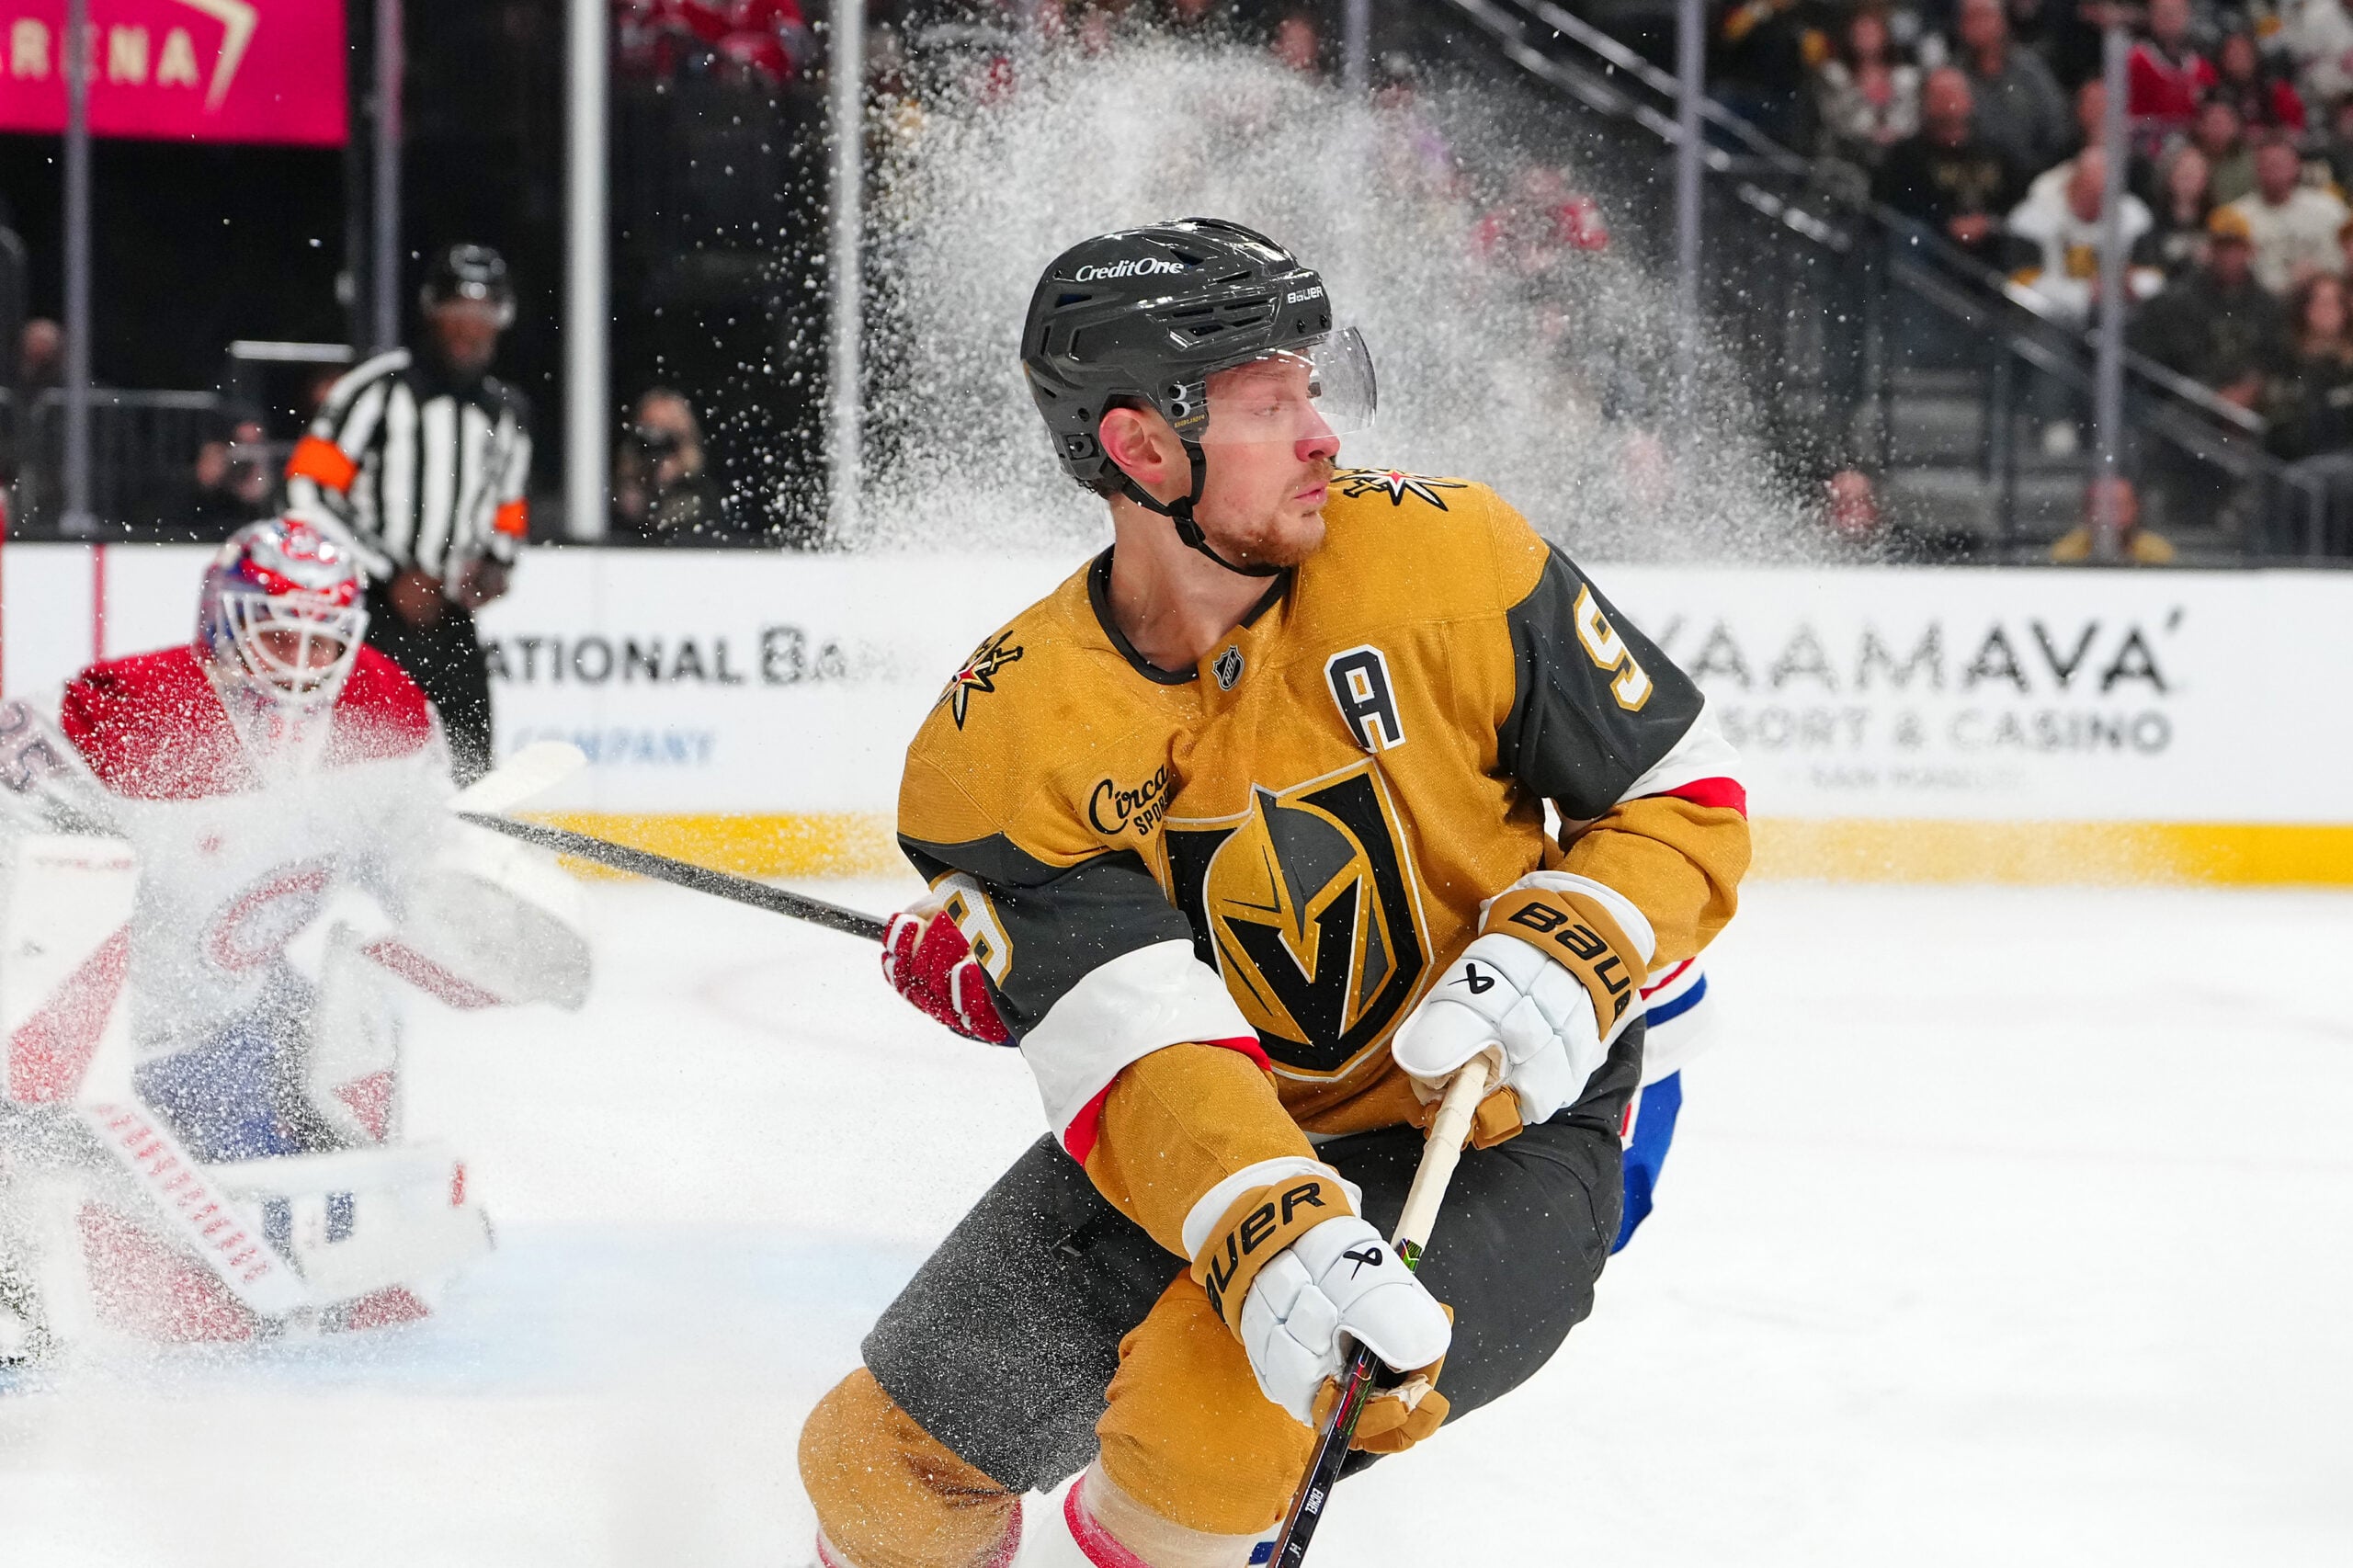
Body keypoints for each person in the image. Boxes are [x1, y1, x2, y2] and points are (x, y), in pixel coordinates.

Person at [794, 219, 1749, 1568]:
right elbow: (1144, 1057)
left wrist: (1578, 937)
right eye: (1268, 402)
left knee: (1204, 1431)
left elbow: (1679, 791)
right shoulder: (1003, 750)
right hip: (1238, 1128)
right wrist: (1254, 1210)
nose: (1322, 433)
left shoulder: (1453, 554)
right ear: (1140, 449)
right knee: (874, 1471)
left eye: (1315, 385)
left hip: (1497, 1132)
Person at [0, 515, 588, 1361]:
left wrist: (486, 905)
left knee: (269, 1207)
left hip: (232, 1031)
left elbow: (417, 864)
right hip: (107, 1042)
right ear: (223, 627)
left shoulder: (384, 718)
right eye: (280, 639)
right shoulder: (131, 714)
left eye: (325, 645)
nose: (304, 672)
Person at [285, 244, 533, 784]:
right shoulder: (376, 390)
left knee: (470, 768)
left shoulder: (505, 410)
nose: (470, 331)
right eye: (457, 317)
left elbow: (509, 506)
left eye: (483, 318)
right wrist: (389, 572)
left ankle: (461, 859)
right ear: (431, 315)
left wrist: (497, 561)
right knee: (358, 760)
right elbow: (306, 489)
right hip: (367, 613)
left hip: (447, 614)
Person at [2130, 207, 2290, 389]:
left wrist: (2250, 387)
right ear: (2209, 250)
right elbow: (2179, 358)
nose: (2229, 256)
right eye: (2222, 247)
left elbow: (2274, 357)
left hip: (2251, 401)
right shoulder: (2179, 300)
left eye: (2236, 247)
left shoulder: (2267, 305)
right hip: (2192, 398)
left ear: (2250, 251)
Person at [1875, 67, 2024, 259]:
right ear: (1925, 102)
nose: (1947, 102)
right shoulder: (1905, 156)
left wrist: (1989, 223)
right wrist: (1946, 224)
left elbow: (2018, 201)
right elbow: (1894, 209)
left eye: (1953, 93)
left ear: (1970, 99)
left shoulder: (1998, 152)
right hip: (1933, 251)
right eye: (1938, 95)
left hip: (1992, 249)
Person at [2005, 147, 2161, 326]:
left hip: (2119, 321)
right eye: (2094, 196)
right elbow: (2022, 287)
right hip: (2048, 323)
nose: (2102, 205)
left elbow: (2155, 278)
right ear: (2074, 185)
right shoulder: (2030, 219)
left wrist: (2132, 285)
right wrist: (2087, 293)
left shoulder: (2134, 217)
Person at [1952, 0, 2072, 178]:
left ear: (2002, 22)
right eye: (1969, 18)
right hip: (1971, 178)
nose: (1977, 25)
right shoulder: (1953, 77)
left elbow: (2056, 126)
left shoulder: (2030, 70)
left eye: (1983, 15)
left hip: (2033, 175)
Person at [2221, 137, 2352, 293]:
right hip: (2260, 304)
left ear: (2296, 166)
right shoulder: (2235, 216)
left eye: (2280, 163)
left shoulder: (2329, 209)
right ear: (2255, 169)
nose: (2274, 169)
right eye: (2267, 164)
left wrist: (2319, 273)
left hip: (2323, 299)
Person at [1811, 5, 1922, 169]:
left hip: (1901, 157)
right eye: (1860, 33)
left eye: (1871, 32)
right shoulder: (1834, 77)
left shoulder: (1908, 78)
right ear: (1849, 36)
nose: (1866, 38)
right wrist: (1870, 133)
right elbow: (1834, 120)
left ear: (1885, 35)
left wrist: (1894, 133)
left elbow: (1914, 118)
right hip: (1849, 157)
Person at [612, 388, 726, 539]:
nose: (658, 451)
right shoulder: (615, 492)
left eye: (669, 439)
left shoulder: (704, 493)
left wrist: (673, 480)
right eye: (648, 436)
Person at [2262, 272, 2353, 458]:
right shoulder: (2287, 361)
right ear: (2305, 308)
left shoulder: (2347, 366)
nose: (2327, 311)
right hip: (2303, 464)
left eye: (2335, 303)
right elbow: (2281, 430)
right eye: (2320, 302)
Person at [2125, 0, 2216, 141]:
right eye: (2163, 12)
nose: (2169, 17)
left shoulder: (2203, 66)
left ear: (2188, 15)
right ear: (2151, 16)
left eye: (2176, 12)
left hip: (2192, 149)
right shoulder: (2134, 60)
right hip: (2142, 148)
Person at [2051, 474, 2175, 562]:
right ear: (2087, 511)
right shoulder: (2066, 553)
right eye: (2102, 505)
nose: (2111, 515)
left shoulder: (2157, 552)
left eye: (2120, 505)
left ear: (2135, 508)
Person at [2211, 29, 2305, 134]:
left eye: (2241, 52)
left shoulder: (2275, 89)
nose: (2235, 57)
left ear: (2253, 55)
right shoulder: (2216, 92)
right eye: (2230, 53)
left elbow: (2295, 129)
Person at [2145, 144, 2216, 277]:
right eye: (2183, 174)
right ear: (2169, 178)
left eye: (2193, 174)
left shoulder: (2217, 221)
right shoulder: (2151, 221)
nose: (2187, 180)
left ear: (2205, 180)